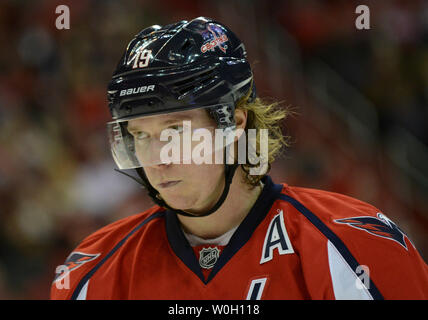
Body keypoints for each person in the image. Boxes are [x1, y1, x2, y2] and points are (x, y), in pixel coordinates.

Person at [51, 17, 428, 300]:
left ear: (235, 123)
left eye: (175, 132)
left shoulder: (352, 244)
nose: (156, 160)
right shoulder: (92, 272)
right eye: (140, 137)